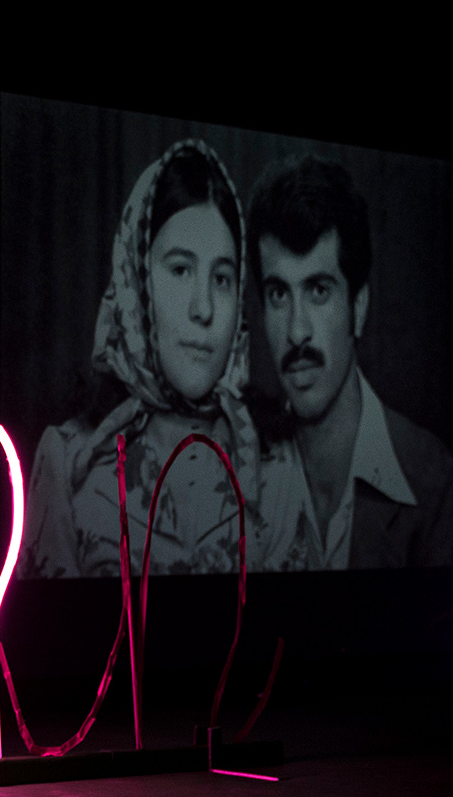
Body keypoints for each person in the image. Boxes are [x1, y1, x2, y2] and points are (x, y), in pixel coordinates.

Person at [24, 140, 277, 578]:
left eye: (221, 278)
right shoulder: (68, 460)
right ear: (137, 284)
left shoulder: (277, 467)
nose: (204, 309)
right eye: (180, 270)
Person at [246, 156, 453, 569]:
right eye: (278, 294)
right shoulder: (242, 474)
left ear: (358, 308)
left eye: (319, 290)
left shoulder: (434, 484)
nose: (296, 332)